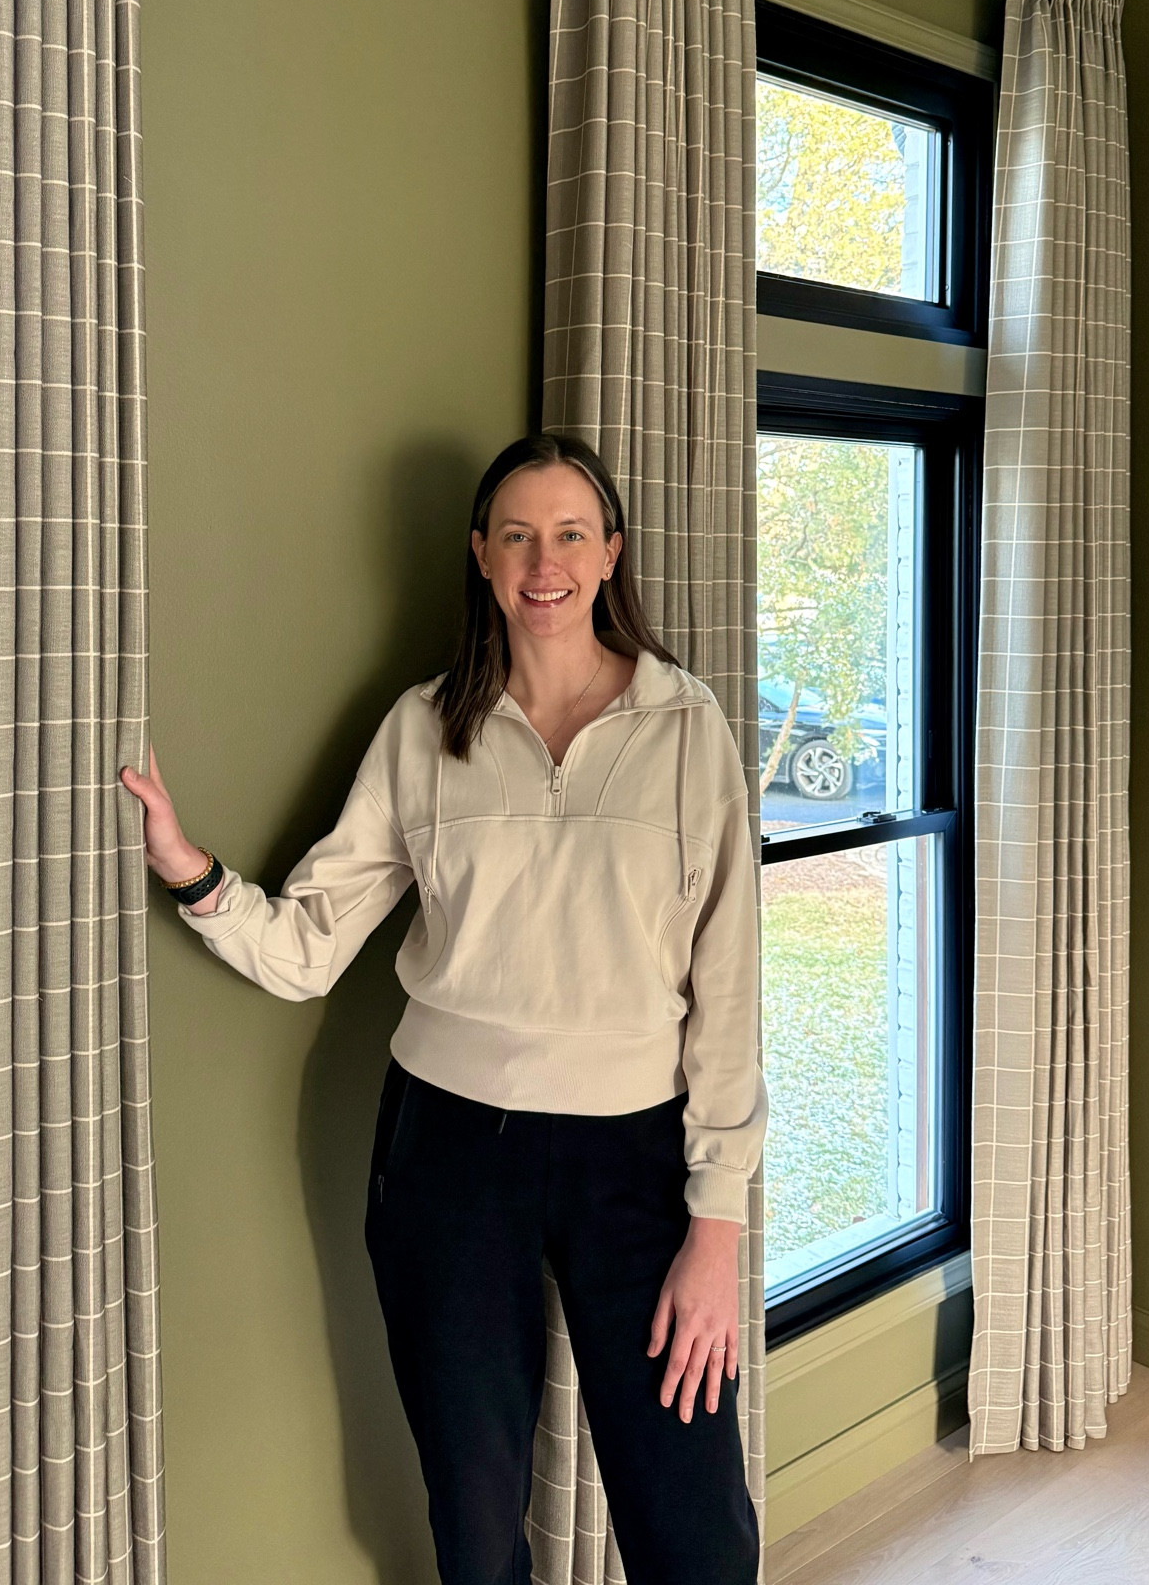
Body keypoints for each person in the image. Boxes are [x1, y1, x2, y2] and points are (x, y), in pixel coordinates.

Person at [122, 433, 765, 1585]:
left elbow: (729, 991)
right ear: (481, 554)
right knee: (473, 1527)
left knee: (696, 1527)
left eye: (569, 533)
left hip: (638, 1159)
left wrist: (715, 1226)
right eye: (517, 535)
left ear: (610, 553)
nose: (544, 562)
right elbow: (312, 942)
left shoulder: (688, 730)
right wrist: (189, 868)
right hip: (450, 1151)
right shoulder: (424, 727)